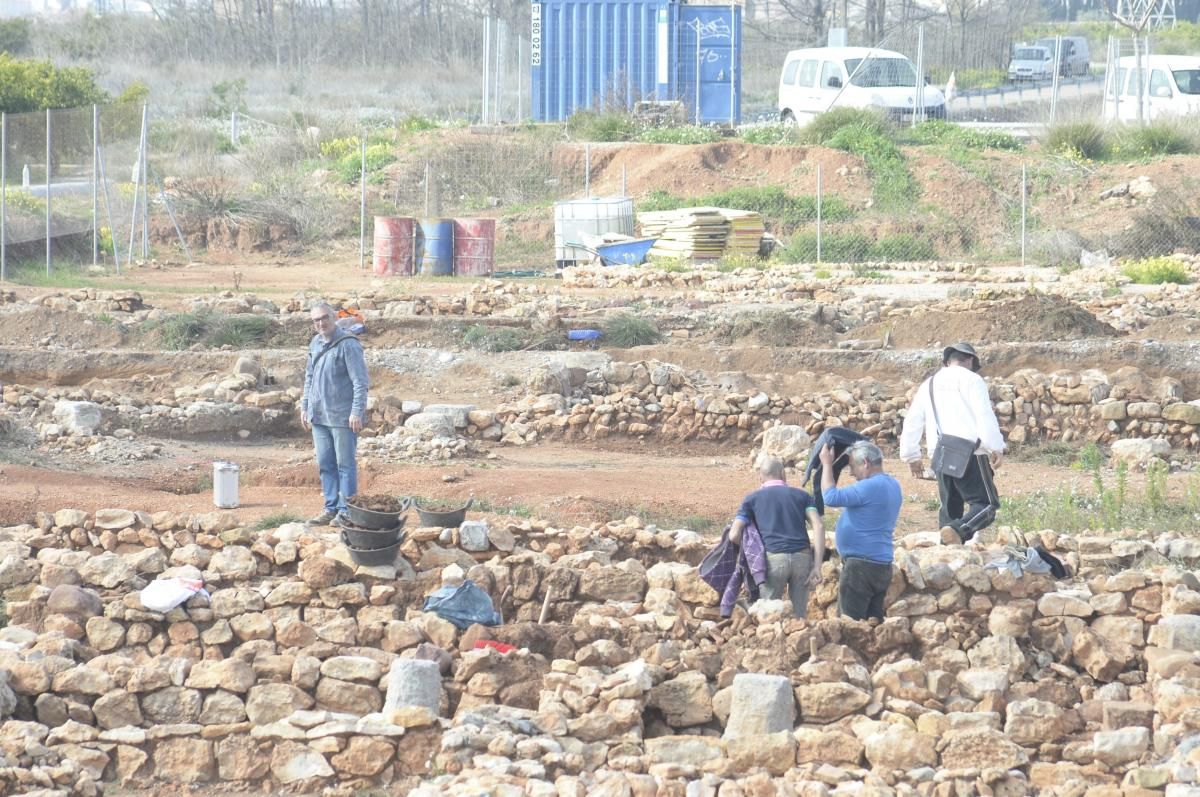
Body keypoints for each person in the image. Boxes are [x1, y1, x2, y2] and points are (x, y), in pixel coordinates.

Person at [899, 342, 1005, 545]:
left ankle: (947, 555)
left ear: (947, 361)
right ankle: (959, 530)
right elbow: (984, 415)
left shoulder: (929, 383)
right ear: (971, 360)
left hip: (939, 453)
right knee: (986, 505)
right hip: (969, 454)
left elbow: (913, 419)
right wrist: (996, 446)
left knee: (950, 509)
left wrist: (911, 455)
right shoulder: (973, 380)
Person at [729, 456, 825, 619]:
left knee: (769, 616)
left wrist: (752, 552)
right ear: (783, 474)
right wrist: (817, 566)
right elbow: (819, 526)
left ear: (760, 477)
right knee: (799, 617)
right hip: (802, 559)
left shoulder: (752, 499)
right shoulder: (802, 496)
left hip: (773, 560)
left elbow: (733, 535)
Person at [300, 301, 369, 526]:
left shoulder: (348, 345)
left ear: (334, 317)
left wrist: (356, 411)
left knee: (345, 465)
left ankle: (346, 511)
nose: (321, 323)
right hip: (319, 415)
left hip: (342, 416)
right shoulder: (315, 343)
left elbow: (360, 381)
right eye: (316, 320)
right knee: (325, 464)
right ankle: (330, 508)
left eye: (324, 318)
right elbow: (309, 377)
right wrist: (305, 406)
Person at [819, 440, 902, 621]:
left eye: (852, 466)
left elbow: (830, 497)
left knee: (850, 625)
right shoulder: (893, 485)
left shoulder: (870, 486)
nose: (851, 472)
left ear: (865, 462)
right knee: (872, 624)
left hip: (861, 567)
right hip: (881, 564)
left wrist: (826, 464)